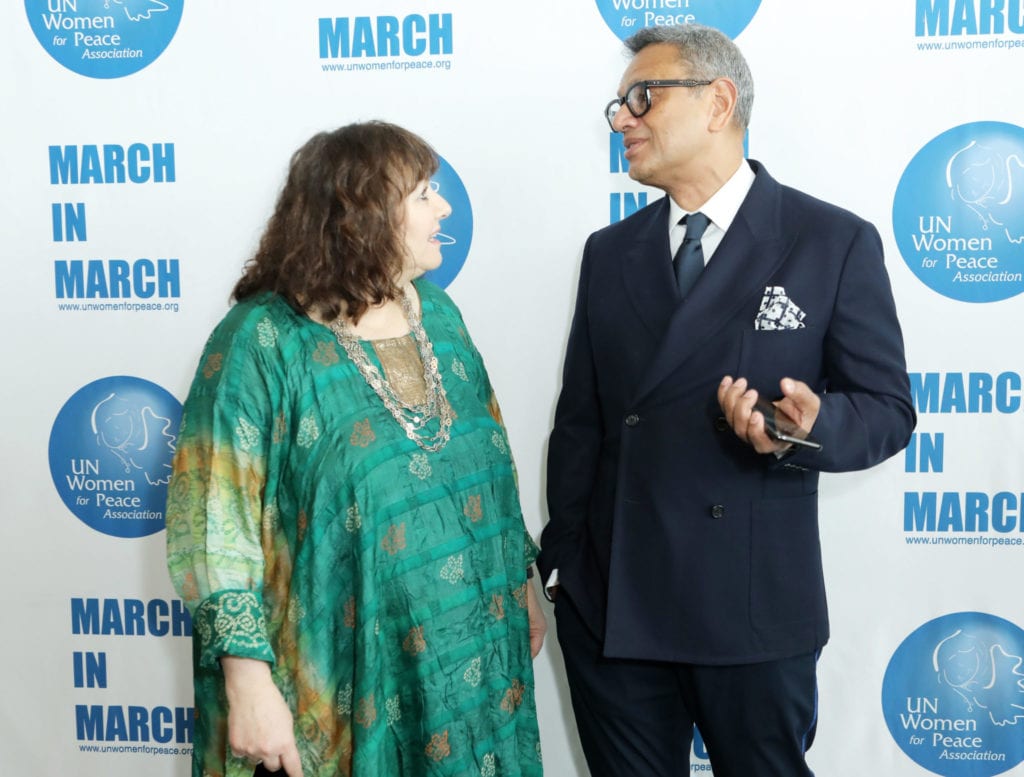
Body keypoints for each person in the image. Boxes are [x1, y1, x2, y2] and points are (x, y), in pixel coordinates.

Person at [538, 24, 915, 777]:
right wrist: (564, 567)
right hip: (613, 605)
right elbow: (581, 423)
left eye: (642, 98)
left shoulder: (829, 241)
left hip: (750, 606)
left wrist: (803, 429)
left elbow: (886, 407)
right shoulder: (608, 252)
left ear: (718, 103)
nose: (623, 120)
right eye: (617, 107)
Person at [166, 121, 546, 777]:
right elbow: (213, 520)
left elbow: (492, 474)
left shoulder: (442, 318)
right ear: (363, 211)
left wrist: (522, 585)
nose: (444, 208)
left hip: (469, 661)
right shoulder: (261, 339)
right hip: (333, 678)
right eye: (424, 193)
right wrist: (247, 684)